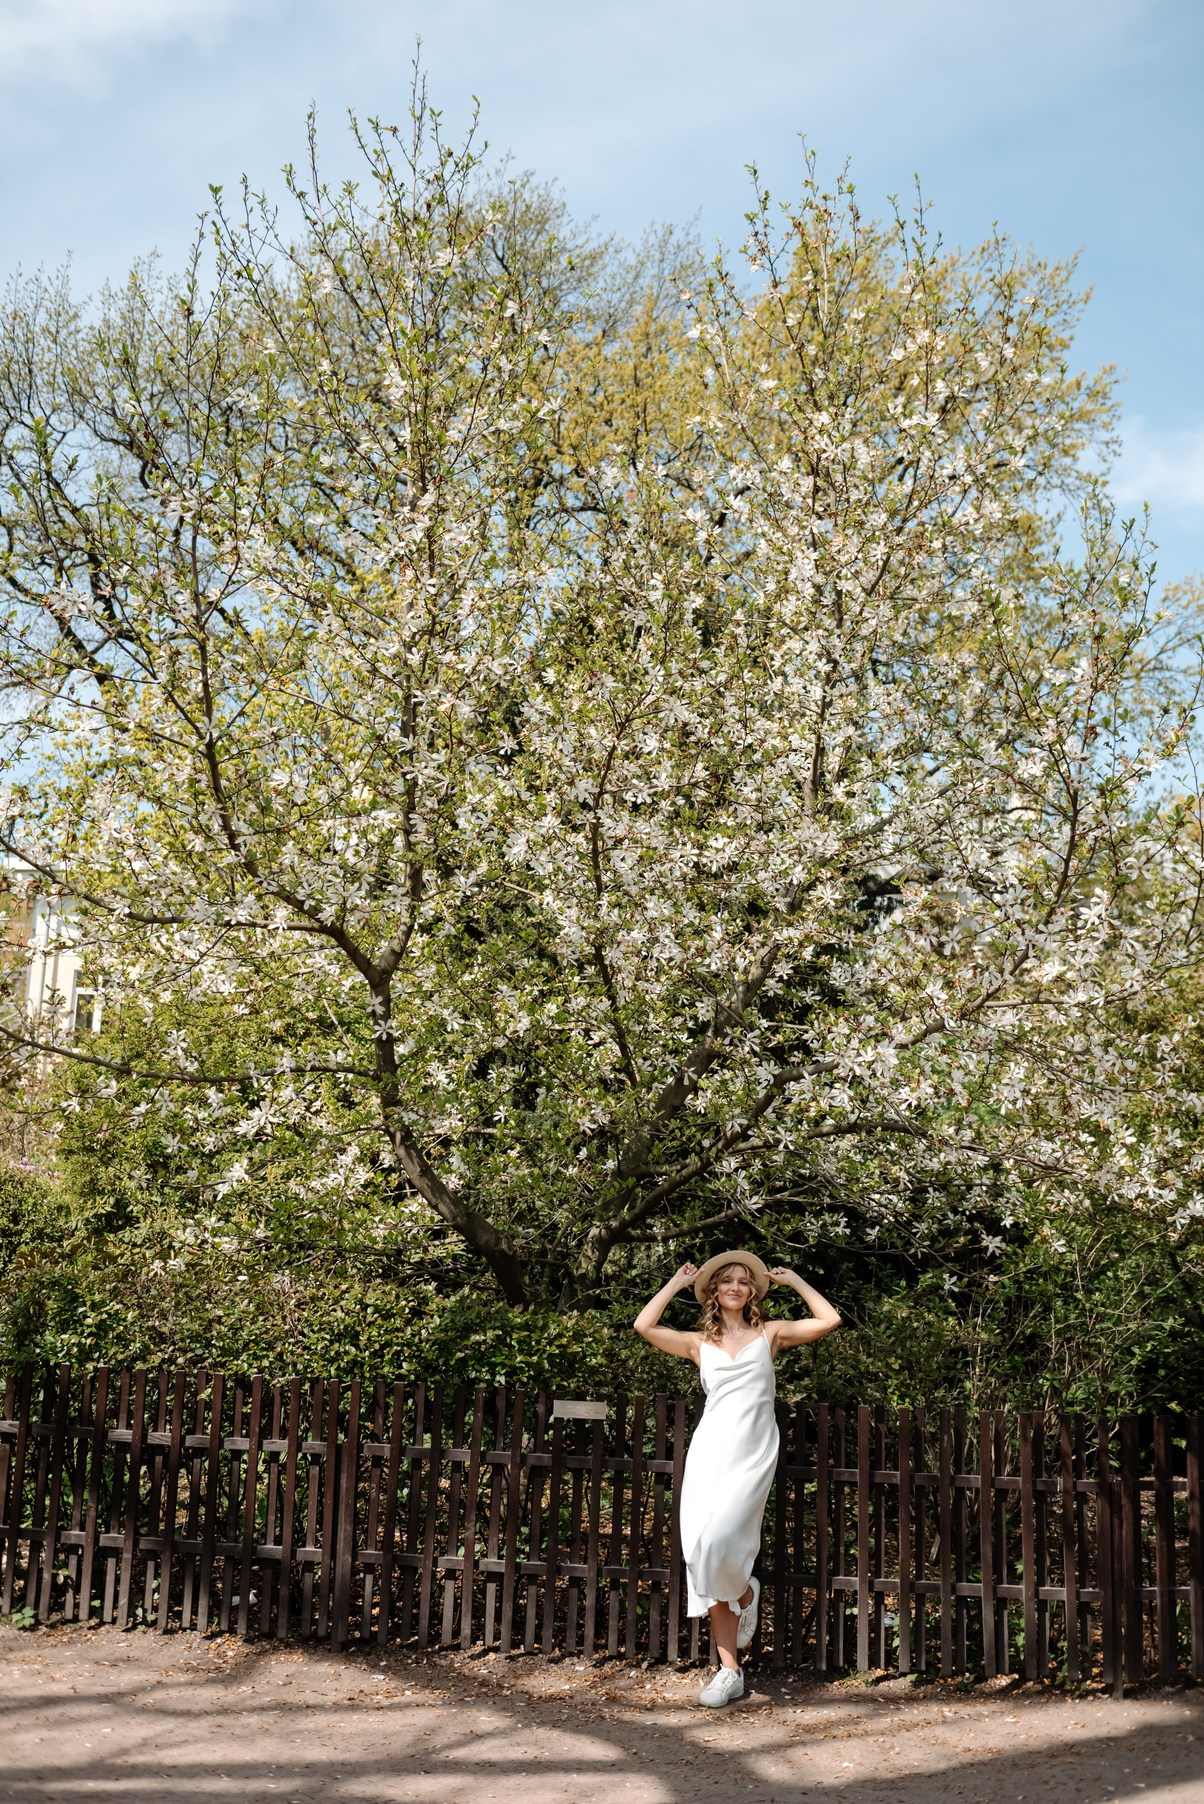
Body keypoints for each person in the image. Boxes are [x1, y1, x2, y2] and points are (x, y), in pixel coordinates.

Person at [633, 1250, 841, 1707]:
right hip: (710, 1451)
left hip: (752, 1451)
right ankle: (730, 1671)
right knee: (699, 1551)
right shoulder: (696, 1343)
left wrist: (797, 1281)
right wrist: (674, 1283)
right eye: (726, 1280)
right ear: (712, 1291)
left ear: (751, 1293)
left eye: (743, 1282)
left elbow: (829, 1320)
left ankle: (745, 1590)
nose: (735, 1287)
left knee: (720, 1540)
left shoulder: (771, 1334)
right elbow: (644, 1326)